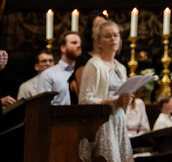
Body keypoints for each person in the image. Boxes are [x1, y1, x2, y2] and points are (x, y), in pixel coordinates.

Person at [78, 19, 133, 162]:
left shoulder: (121, 67)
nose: (113, 39)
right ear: (98, 42)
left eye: (115, 35)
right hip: (102, 124)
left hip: (119, 121)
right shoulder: (93, 65)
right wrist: (113, 102)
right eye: (108, 36)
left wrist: (126, 99)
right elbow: (84, 99)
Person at [70, 12, 107, 102]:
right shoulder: (83, 59)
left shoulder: (111, 60)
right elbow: (83, 93)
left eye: (104, 25)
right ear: (90, 32)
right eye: (98, 26)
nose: (102, 29)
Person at [37, 32, 82, 105]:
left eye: (80, 43)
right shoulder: (48, 74)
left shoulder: (82, 72)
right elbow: (43, 105)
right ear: (63, 48)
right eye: (74, 43)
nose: (79, 45)